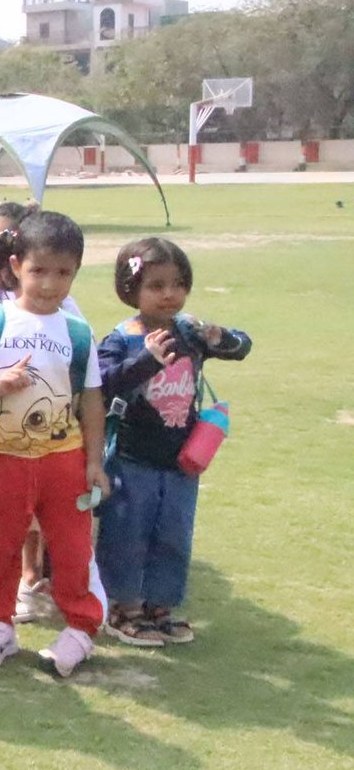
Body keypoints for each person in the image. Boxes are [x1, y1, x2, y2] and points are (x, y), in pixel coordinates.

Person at [0, 211, 110, 678]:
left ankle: (80, 628)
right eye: (39, 270)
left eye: (63, 273)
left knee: (72, 548)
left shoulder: (77, 331)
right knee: (1, 546)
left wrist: (94, 462)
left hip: (64, 459)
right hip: (2, 458)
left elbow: (92, 400)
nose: (49, 284)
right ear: (17, 265)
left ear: (75, 273)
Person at [96, 239, 251, 647]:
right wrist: (146, 360)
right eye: (156, 285)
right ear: (130, 289)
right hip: (132, 458)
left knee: (173, 534)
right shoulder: (123, 338)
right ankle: (123, 607)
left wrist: (221, 337)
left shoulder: (189, 332)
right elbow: (101, 383)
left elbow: (242, 346)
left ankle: (160, 606)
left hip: (181, 460)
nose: (170, 294)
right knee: (127, 533)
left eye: (179, 284)